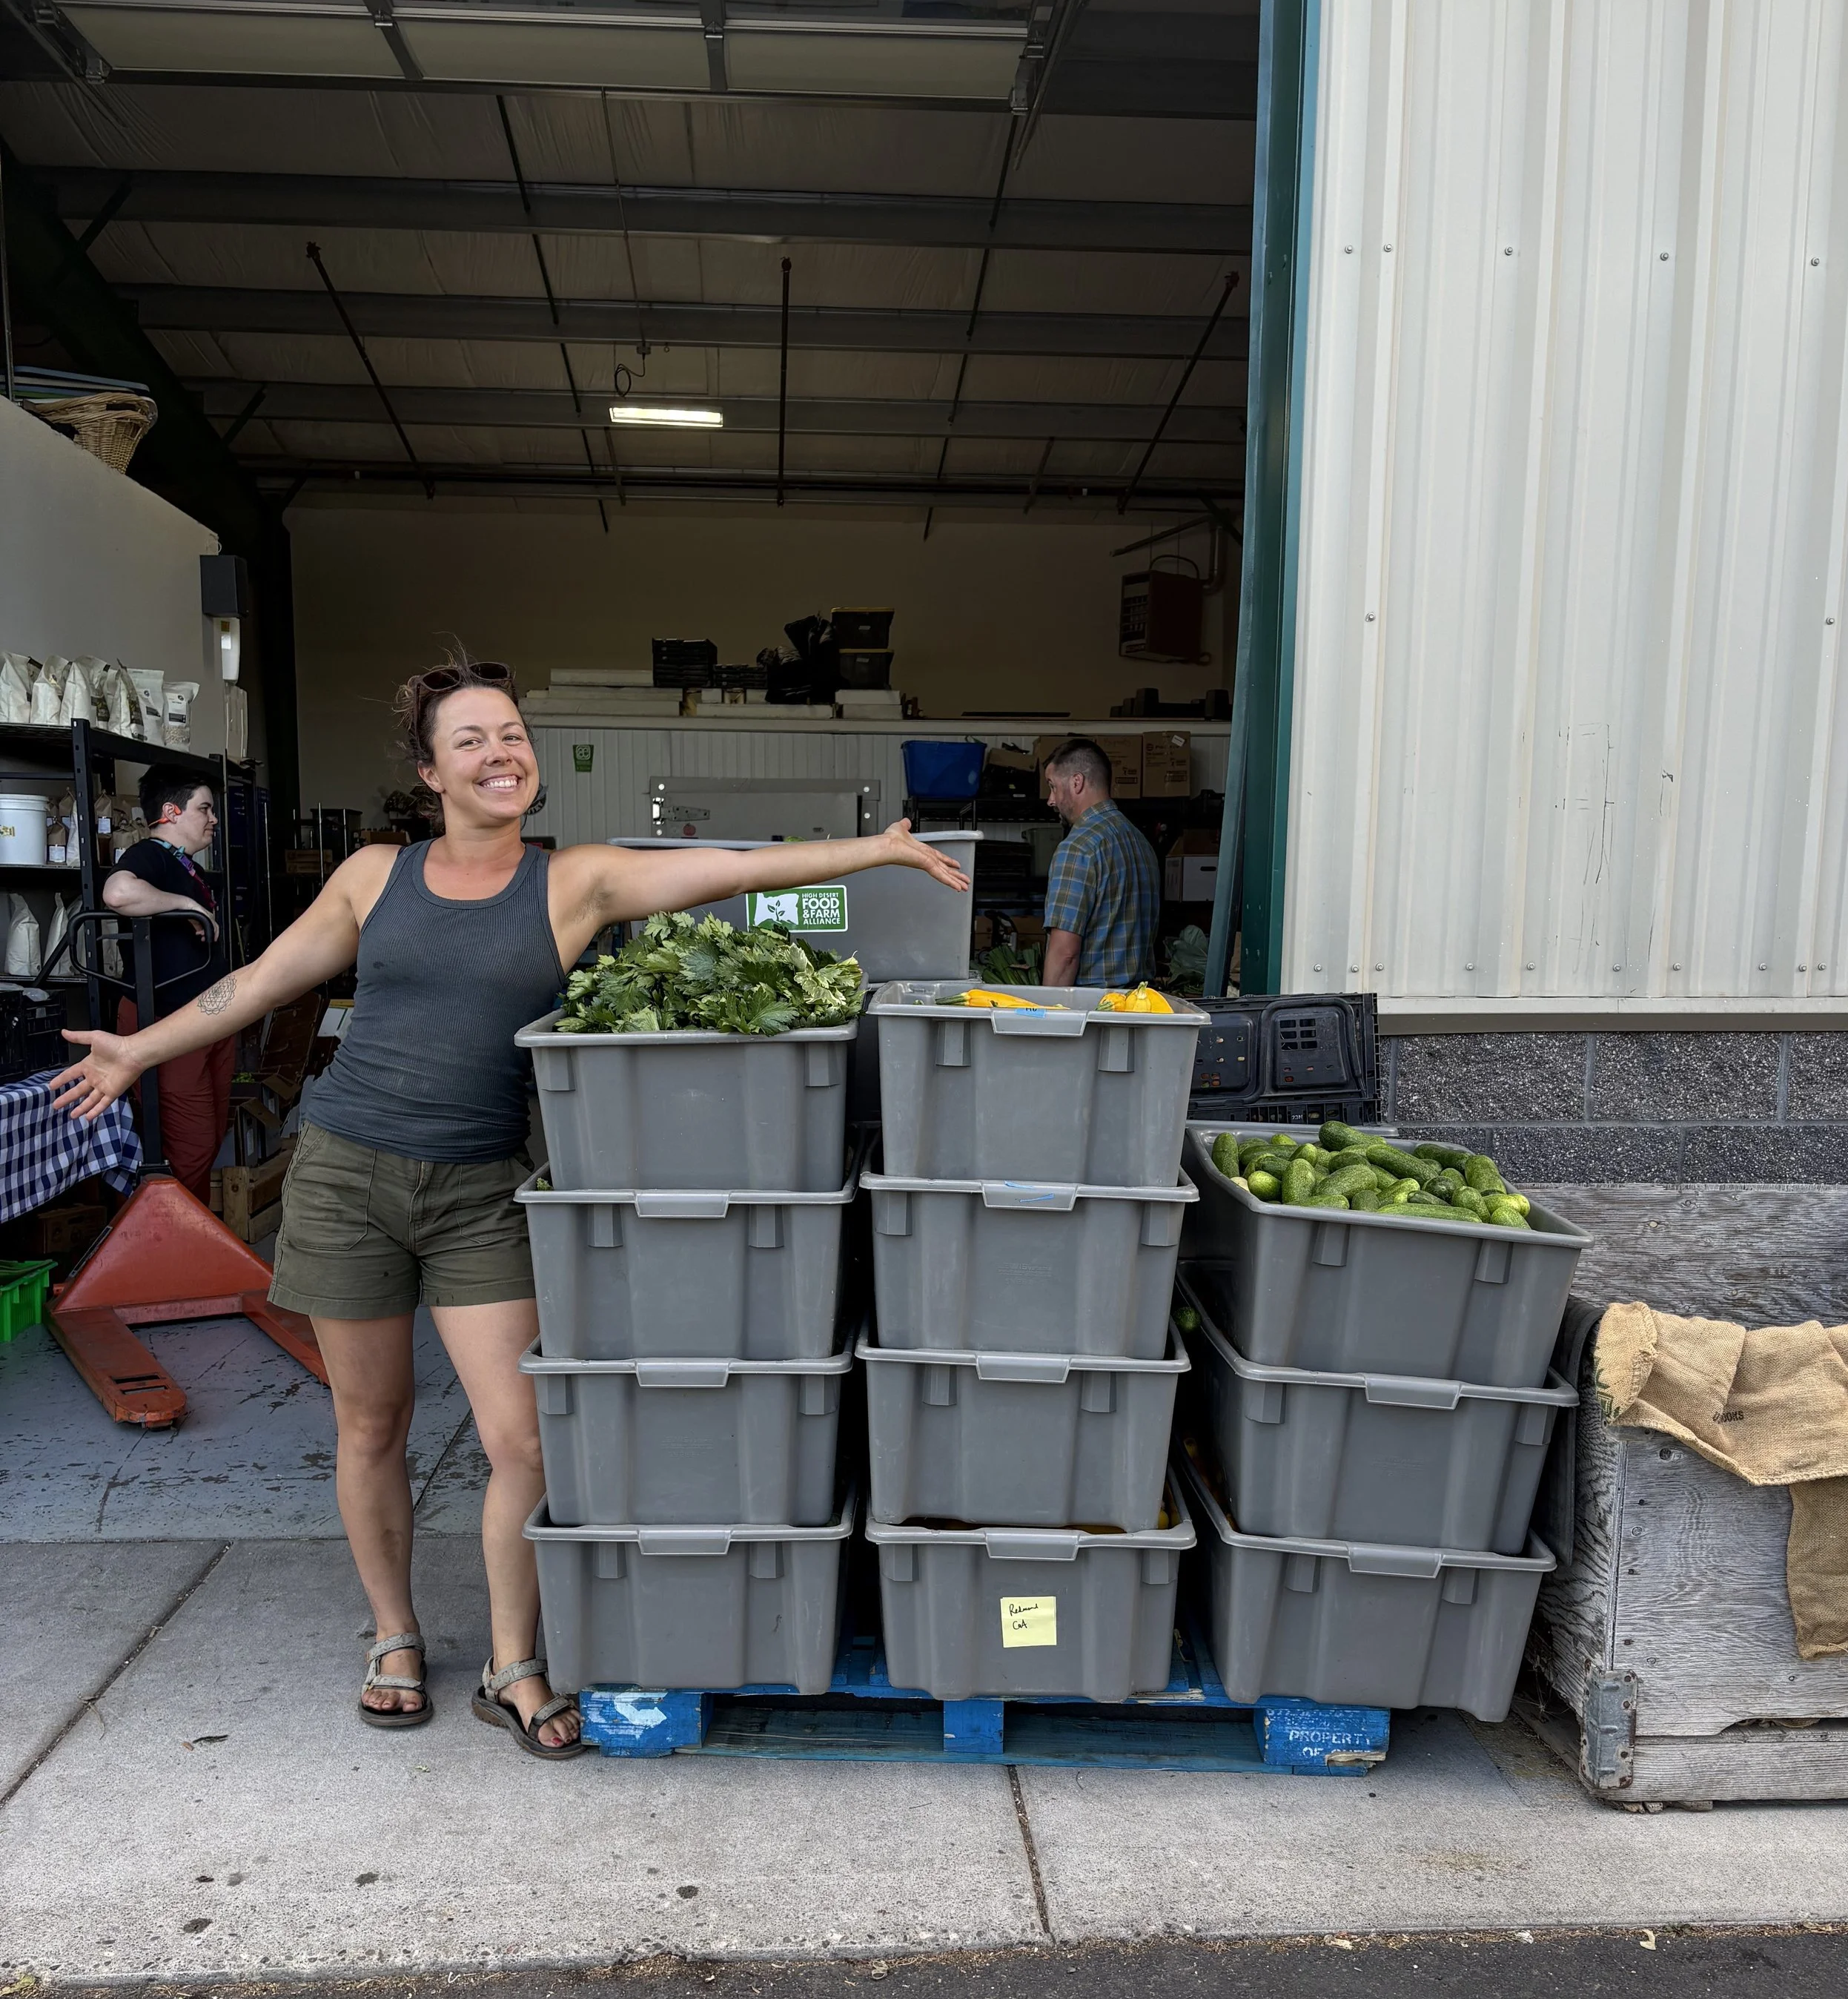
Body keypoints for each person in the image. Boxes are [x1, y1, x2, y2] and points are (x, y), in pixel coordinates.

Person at [52, 656, 968, 1760]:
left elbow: (732, 870)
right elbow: (259, 983)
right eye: (474, 739)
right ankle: (393, 1634)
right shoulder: (372, 878)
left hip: (480, 1184)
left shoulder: (571, 881)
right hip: (346, 1175)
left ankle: (511, 1659)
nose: (502, 753)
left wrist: (876, 847)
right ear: (432, 770)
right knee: (369, 1424)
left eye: (514, 734)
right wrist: (137, 1048)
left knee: (522, 1436)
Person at [102, 764, 233, 1203]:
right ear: (172, 812)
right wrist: (182, 905)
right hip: (166, 1023)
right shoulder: (151, 855)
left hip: (208, 1020)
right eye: (205, 809)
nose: (213, 819)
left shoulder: (187, 866)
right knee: (190, 1146)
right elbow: (118, 894)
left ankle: (190, 1245)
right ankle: (174, 1247)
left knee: (211, 1136)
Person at [1039, 737, 1160, 988]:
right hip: (1141, 1005)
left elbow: (1065, 954)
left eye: (1052, 786)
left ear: (1076, 782)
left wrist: (1048, 1017)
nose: (1051, 800)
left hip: (1094, 1012)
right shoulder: (1140, 842)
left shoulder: (1078, 848)